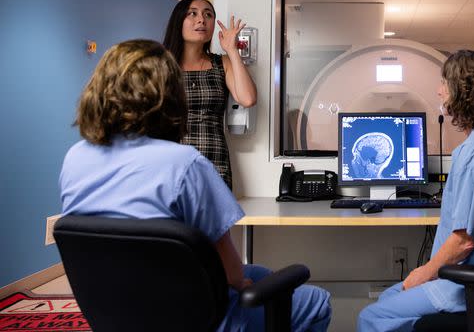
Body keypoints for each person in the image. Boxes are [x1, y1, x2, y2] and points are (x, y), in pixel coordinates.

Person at [59, 39, 331, 332]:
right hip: (195, 318)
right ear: (170, 96)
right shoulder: (184, 164)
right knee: (316, 301)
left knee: (264, 273)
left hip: (116, 311)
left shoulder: (75, 159)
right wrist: (242, 281)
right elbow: (233, 275)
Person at [357, 50, 474, 332]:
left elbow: (463, 242)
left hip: (473, 285)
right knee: (389, 297)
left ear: (465, 90)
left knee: (372, 317)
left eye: (445, 83)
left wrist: (423, 273)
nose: (439, 91)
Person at [163, 0, 257, 189]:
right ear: (178, 20)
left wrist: (232, 50)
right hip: (170, 163)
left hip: (213, 161)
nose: (201, 20)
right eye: (193, 14)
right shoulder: (161, 65)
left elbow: (247, 99)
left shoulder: (221, 63)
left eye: (208, 15)